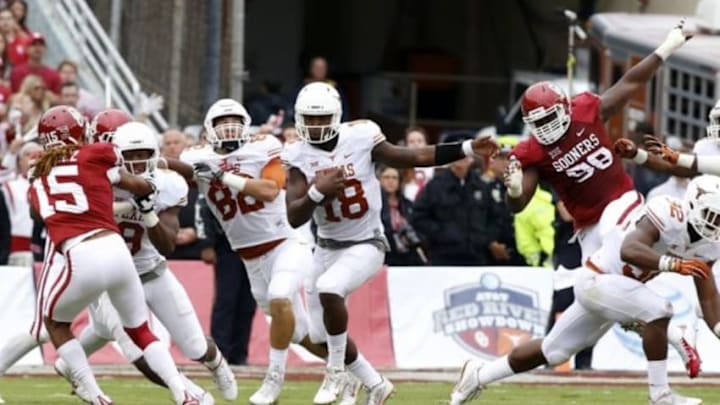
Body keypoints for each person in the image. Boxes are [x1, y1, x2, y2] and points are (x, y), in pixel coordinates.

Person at [283, 81, 495, 404]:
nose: (314, 126)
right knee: (317, 334)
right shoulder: (297, 154)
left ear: (336, 116)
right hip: (325, 246)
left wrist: (466, 148)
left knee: (330, 289)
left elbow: (416, 155)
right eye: (309, 119)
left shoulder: (360, 137)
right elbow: (294, 216)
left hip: (366, 243)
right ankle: (374, 383)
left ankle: (336, 373)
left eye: (321, 118)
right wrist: (317, 191)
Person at [450, 175, 720, 405]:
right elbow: (630, 249)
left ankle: (479, 374)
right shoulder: (668, 210)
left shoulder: (709, 244)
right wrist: (674, 264)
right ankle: (661, 394)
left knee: (553, 353)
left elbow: (708, 295)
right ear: (693, 203)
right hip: (598, 280)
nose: (715, 224)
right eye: (711, 215)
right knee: (660, 309)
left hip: (620, 292)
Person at [26, 105, 208, 404]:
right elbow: (139, 181)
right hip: (117, 251)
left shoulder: (37, 173)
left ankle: (96, 396)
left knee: (55, 323)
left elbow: (37, 212)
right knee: (141, 330)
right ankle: (183, 393)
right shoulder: (95, 154)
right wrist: (145, 191)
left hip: (81, 252)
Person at [172, 98, 330, 405]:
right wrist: (159, 164)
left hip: (286, 241)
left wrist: (221, 175)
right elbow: (178, 176)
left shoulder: (264, 146)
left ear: (246, 125)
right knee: (297, 333)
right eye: (221, 122)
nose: (229, 127)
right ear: (209, 129)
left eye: (234, 121)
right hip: (250, 256)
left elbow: (270, 189)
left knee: (280, 296)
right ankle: (358, 370)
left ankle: (274, 380)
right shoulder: (196, 155)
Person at [0, 141, 41, 266]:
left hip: (45, 251)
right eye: (29, 154)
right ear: (20, 161)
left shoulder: (52, 186)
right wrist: (11, 153)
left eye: (40, 155)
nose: (35, 159)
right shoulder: (9, 186)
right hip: (17, 252)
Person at [378, 165, 425, 266]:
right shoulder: (375, 206)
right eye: (386, 177)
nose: (390, 181)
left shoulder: (408, 205)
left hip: (408, 256)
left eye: (394, 178)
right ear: (380, 180)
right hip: (385, 256)